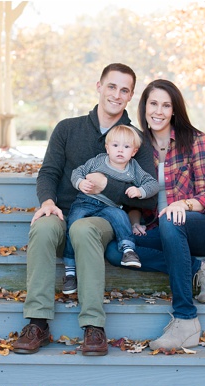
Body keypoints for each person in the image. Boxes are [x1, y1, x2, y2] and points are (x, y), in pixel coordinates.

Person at [12, 64, 157, 357]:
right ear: (99, 86)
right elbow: (49, 172)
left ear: (130, 96)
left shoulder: (136, 139)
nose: (117, 94)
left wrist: (107, 186)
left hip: (104, 217)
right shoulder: (68, 128)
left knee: (84, 228)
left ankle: (93, 325)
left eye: (124, 90)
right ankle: (37, 322)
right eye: (112, 86)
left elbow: (147, 199)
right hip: (64, 211)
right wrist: (47, 202)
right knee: (43, 227)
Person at [103, 79, 205, 350]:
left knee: (171, 219)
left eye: (166, 105)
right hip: (160, 229)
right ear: (144, 106)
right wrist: (135, 223)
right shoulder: (136, 145)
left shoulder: (193, 139)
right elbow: (132, 198)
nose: (158, 111)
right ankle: (199, 269)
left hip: (201, 227)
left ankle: (185, 319)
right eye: (153, 103)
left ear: (174, 110)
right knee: (116, 250)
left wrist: (182, 205)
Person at [61, 124, 161, 294]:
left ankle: (128, 250)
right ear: (107, 148)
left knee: (121, 216)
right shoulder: (98, 161)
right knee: (73, 224)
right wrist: (80, 183)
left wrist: (140, 191)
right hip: (86, 201)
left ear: (134, 151)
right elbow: (78, 172)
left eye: (126, 147)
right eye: (115, 145)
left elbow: (152, 184)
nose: (120, 150)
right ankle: (70, 270)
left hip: (110, 206)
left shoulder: (134, 169)